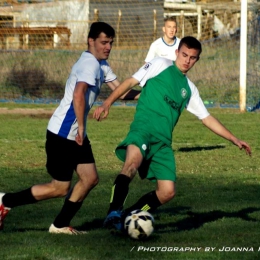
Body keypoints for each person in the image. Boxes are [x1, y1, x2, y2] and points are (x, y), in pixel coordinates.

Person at [93, 36, 252, 231]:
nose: (187, 60)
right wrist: (107, 102)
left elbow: (207, 118)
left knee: (167, 192)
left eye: (192, 58)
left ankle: (130, 216)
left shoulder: (189, 89)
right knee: (131, 165)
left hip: (163, 143)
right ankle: (113, 213)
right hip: (143, 129)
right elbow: (129, 82)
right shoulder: (160, 64)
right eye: (184, 54)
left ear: (197, 60)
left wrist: (234, 138)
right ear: (177, 52)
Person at [0, 22, 140, 234]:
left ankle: (60, 225)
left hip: (75, 134)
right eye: (104, 42)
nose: (108, 47)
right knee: (59, 187)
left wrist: (149, 95)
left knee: (90, 178)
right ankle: (5, 200)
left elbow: (120, 92)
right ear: (90, 41)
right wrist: (82, 127)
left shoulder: (101, 64)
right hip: (63, 134)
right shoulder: (89, 64)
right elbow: (78, 94)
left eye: (110, 43)